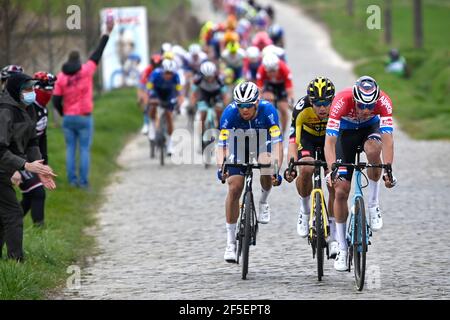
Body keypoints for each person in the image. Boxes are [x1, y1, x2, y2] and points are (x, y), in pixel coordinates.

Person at [324, 75, 397, 272]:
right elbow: (329, 142)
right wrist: (332, 168)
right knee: (340, 190)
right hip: (344, 135)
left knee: (374, 150)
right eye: (361, 106)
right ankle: (342, 248)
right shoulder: (340, 101)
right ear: (354, 99)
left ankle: (373, 204)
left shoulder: (383, 102)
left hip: (369, 130)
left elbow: (388, 139)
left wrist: (388, 168)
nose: (365, 110)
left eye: (369, 106)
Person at [216, 81, 283, 262]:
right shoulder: (229, 114)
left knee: (266, 165)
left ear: (256, 103)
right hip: (238, 145)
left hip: (263, 143)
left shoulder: (268, 111)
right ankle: (230, 243)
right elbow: (221, 144)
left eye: (248, 105)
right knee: (234, 187)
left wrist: (276, 167)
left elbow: (277, 143)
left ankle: (263, 202)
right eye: (241, 106)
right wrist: (221, 166)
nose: (244, 110)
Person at [0, 73, 56, 261]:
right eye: (27, 89)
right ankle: (17, 262)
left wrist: (39, 168)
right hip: (4, 167)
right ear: (16, 90)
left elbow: (33, 142)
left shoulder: (28, 108)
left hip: (8, 167)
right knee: (14, 214)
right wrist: (23, 166)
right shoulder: (5, 111)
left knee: (4, 216)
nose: (31, 92)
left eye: (32, 88)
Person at [53, 18, 114, 189]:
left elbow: (56, 100)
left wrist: (63, 113)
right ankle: (84, 183)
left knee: (71, 149)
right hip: (84, 117)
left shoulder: (61, 77)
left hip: (69, 118)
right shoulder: (86, 70)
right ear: (79, 61)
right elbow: (98, 52)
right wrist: (107, 32)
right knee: (84, 150)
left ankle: (72, 182)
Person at [285, 77, 338, 258]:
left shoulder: (337, 109)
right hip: (307, 138)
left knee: (334, 183)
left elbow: (343, 138)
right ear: (310, 101)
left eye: (326, 103)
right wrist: (291, 165)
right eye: (317, 103)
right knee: (306, 168)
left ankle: (334, 237)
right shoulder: (301, 108)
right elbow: (293, 141)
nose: (322, 108)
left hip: (329, 141)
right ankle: (305, 208)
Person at [12, 72, 57, 227]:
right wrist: (17, 166)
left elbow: (41, 139)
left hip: (32, 158)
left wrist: (44, 164)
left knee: (30, 197)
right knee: (38, 192)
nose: (49, 94)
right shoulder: (26, 109)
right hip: (18, 158)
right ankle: (40, 230)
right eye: (45, 91)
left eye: (51, 91)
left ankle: (8, 224)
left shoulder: (43, 110)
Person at [146, 59, 184, 155]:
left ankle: (170, 145)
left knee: (169, 116)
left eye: (170, 73)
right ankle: (152, 127)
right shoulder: (155, 74)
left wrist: (179, 102)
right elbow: (149, 88)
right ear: (162, 71)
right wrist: (149, 99)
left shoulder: (176, 76)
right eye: (166, 73)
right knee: (153, 106)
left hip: (169, 94)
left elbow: (179, 92)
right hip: (156, 92)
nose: (168, 76)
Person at [256, 53, 294, 140]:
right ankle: (269, 125)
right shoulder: (261, 69)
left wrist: (290, 100)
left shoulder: (284, 68)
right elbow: (259, 89)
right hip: (269, 85)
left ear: (278, 68)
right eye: (269, 71)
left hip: (281, 86)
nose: (272, 74)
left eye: (274, 71)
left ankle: (283, 133)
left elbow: (289, 89)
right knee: (268, 99)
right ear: (266, 69)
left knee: (284, 109)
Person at [191, 61, 227, 137]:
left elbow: (224, 93)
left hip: (216, 94)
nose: (209, 79)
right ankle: (202, 132)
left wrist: (225, 103)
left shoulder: (219, 78)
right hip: (204, 94)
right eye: (207, 77)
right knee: (203, 112)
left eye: (211, 76)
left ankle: (220, 128)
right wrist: (193, 103)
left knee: (219, 110)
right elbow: (193, 92)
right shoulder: (198, 79)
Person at [138, 54, 162, 135]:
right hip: (149, 88)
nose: (156, 67)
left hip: (160, 88)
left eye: (158, 65)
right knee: (146, 102)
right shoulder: (147, 70)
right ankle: (146, 124)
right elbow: (142, 85)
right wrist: (142, 96)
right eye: (154, 65)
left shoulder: (163, 70)